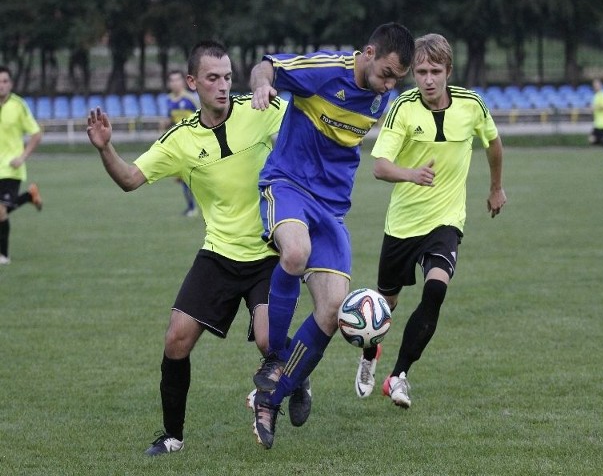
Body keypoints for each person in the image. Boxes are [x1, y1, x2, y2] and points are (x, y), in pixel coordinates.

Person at [86, 40, 289, 456]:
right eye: (213, 78)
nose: (223, 86)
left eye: (229, 77)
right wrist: (107, 148)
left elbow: (311, 133)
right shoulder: (180, 140)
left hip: (269, 250)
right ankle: (172, 436)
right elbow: (129, 179)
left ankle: (293, 378)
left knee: (271, 341)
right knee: (176, 340)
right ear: (193, 82)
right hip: (218, 252)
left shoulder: (261, 111)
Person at [249, 22, 415, 449]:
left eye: (397, 79)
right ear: (368, 52)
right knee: (295, 252)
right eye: (386, 73)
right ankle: (274, 363)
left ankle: (273, 398)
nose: (389, 84)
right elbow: (264, 66)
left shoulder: (383, 98)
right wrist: (264, 88)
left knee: (332, 309)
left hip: (332, 210)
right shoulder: (326, 68)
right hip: (287, 186)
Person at [353, 33, 506, 408]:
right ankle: (371, 354)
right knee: (384, 309)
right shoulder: (402, 107)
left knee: (436, 289)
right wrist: (412, 175)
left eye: (435, 71)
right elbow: (380, 167)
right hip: (403, 224)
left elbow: (494, 144)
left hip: (446, 220)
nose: (428, 79)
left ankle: (398, 375)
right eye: (420, 72)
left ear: (448, 71)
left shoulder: (472, 105)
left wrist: (496, 188)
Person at [0, 66, 44, 265]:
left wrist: (23, 157)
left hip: (11, 168)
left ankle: (3, 256)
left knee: (0, 211)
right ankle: (28, 196)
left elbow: (36, 133)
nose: (1, 86)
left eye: (5, 81)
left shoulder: (19, 105)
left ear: (11, 84)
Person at [166, 69, 200, 216]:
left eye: (177, 80)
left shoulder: (191, 98)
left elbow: (203, 115)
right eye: (172, 80)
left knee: (192, 176)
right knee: (184, 177)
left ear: (184, 81)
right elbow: (172, 121)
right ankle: (192, 207)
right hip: (180, 146)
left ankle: (194, 207)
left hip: (195, 143)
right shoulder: (169, 100)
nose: (175, 83)